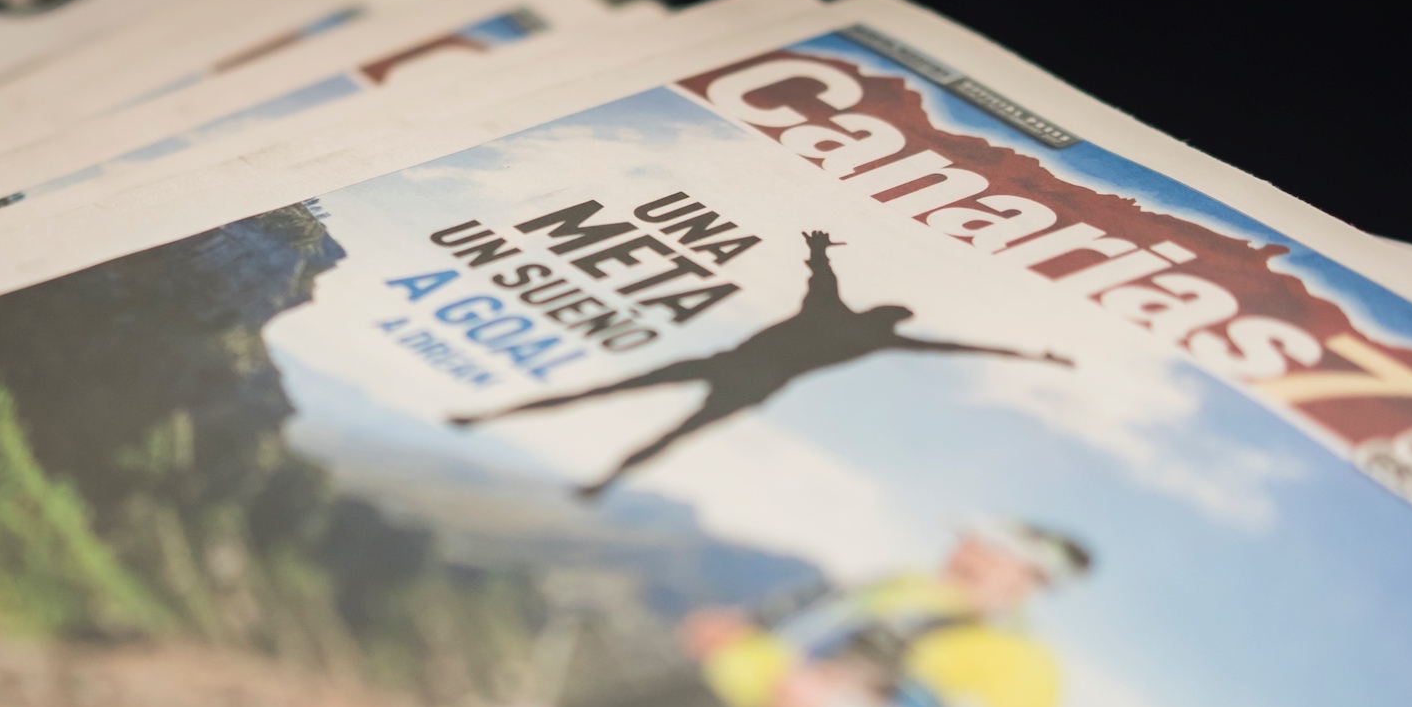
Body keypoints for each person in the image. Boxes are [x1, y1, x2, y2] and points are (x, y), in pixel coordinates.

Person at [452, 230, 1072, 497]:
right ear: (892, 321)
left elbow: (825, 275)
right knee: (662, 425)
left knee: (617, 399)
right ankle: (590, 476)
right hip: (749, 376)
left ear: (881, 314)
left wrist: (819, 248)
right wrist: (1028, 355)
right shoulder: (869, 337)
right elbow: (954, 348)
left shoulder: (843, 318)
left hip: (739, 367)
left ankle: (507, 428)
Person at [681, 518, 1091, 707]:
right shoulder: (906, 582)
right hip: (692, 690)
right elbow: (809, 619)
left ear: (1031, 579)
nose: (966, 551)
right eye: (970, 541)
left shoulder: (1022, 657)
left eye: (993, 552)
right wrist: (737, 627)